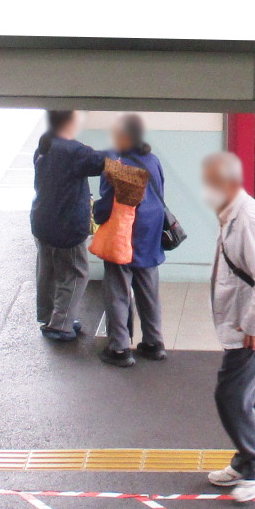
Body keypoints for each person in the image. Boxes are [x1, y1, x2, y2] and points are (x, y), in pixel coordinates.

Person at [200, 151, 255, 502]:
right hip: (243, 324)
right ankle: (248, 461)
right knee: (249, 394)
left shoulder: (247, 220)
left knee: (231, 395)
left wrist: (253, 324)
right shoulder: (230, 216)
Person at [95, 113, 171, 367]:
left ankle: (119, 348)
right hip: (151, 232)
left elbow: (106, 205)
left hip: (123, 234)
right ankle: (153, 343)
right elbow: (160, 190)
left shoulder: (117, 164)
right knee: (148, 291)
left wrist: (96, 216)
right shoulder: (152, 159)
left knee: (117, 291)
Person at [31, 109, 107, 340]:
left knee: (48, 272)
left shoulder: (45, 145)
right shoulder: (73, 150)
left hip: (43, 221)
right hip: (67, 225)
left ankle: (48, 316)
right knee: (75, 273)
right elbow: (101, 161)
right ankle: (60, 325)